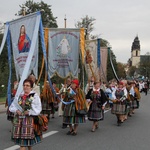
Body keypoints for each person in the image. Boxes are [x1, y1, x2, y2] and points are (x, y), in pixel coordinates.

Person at [9, 79, 42, 150]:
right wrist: (17, 110)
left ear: (31, 87)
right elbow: (12, 107)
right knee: (22, 143)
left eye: (27, 85)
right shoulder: (19, 95)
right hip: (19, 121)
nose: (25, 87)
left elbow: (38, 109)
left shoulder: (34, 96)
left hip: (28, 121)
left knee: (28, 143)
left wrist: (29, 112)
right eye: (24, 85)